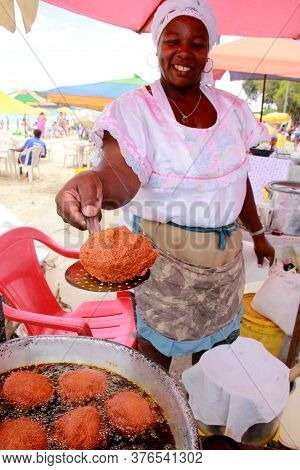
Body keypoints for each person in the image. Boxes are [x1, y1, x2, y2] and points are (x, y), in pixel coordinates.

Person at [56, 0, 275, 370]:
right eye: (173, 41)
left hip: (225, 262)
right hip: (165, 260)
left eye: (197, 43)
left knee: (215, 359)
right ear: (158, 44)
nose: (184, 53)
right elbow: (120, 175)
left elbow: (241, 180)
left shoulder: (233, 112)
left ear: (209, 50)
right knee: (155, 360)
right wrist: (93, 181)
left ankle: (203, 416)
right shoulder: (136, 111)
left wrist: (258, 233)